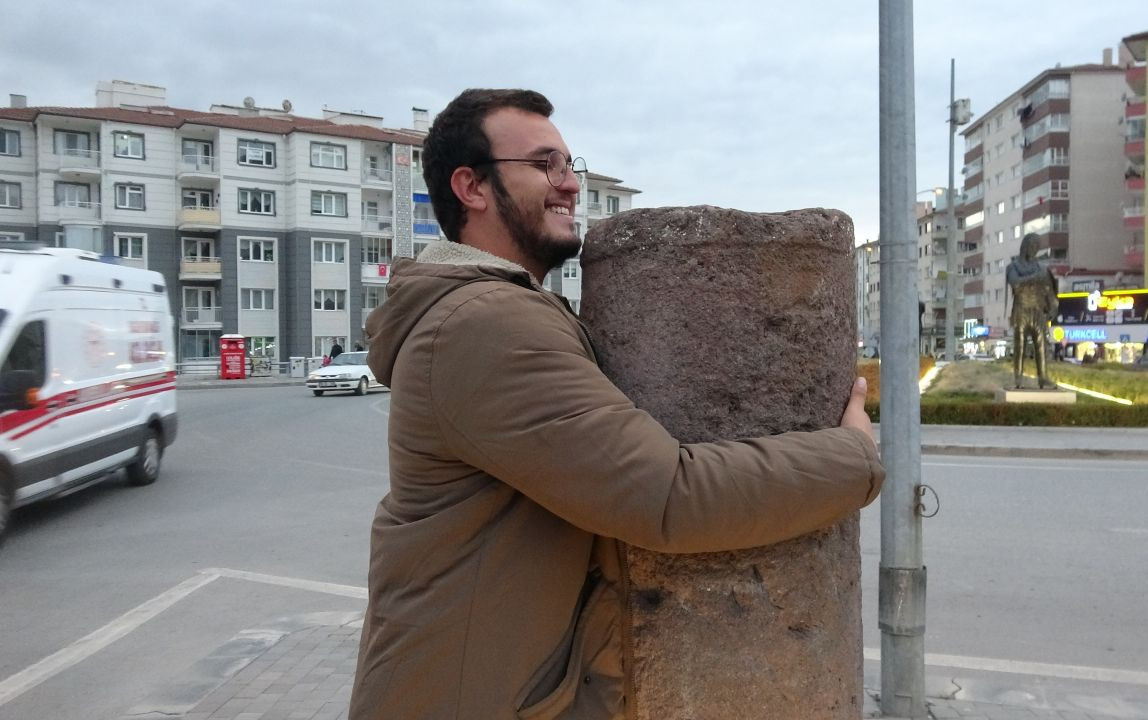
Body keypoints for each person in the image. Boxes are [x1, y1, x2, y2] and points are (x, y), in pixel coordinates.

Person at [349, 89, 885, 720]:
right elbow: (667, 496)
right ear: (471, 187)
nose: (570, 185)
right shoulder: (484, 324)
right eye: (545, 165)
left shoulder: (491, 313)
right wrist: (853, 456)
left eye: (570, 165)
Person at [1005, 232, 1059, 389]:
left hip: (1038, 310)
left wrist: (1053, 307)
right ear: (1025, 246)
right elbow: (1015, 283)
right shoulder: (1013, 267)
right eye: (1032, 246)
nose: (1034, 249)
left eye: (1037, 247)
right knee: (1019, 345)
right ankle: (1017, 379)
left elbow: (1049, 290)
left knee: (1041, 345)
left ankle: (1043, 378)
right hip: (1021, 309)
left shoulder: (1042, 268)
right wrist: (1036, 277)